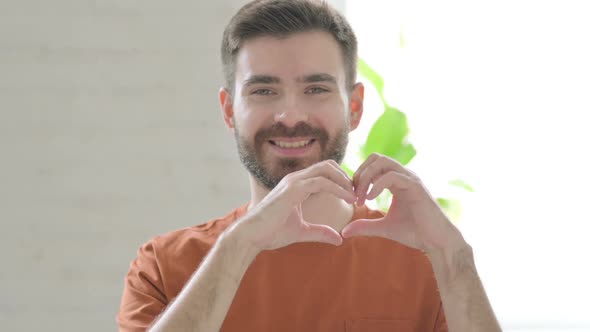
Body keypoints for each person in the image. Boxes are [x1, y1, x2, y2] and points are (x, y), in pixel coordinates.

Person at [117, 0, 501, 331]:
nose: (289, 115)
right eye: (264, 90)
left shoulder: (429, 264)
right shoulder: (164, 268)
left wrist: (454, 256)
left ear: (354, 108)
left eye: (315, 89)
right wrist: (240, 247)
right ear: (229, 110)